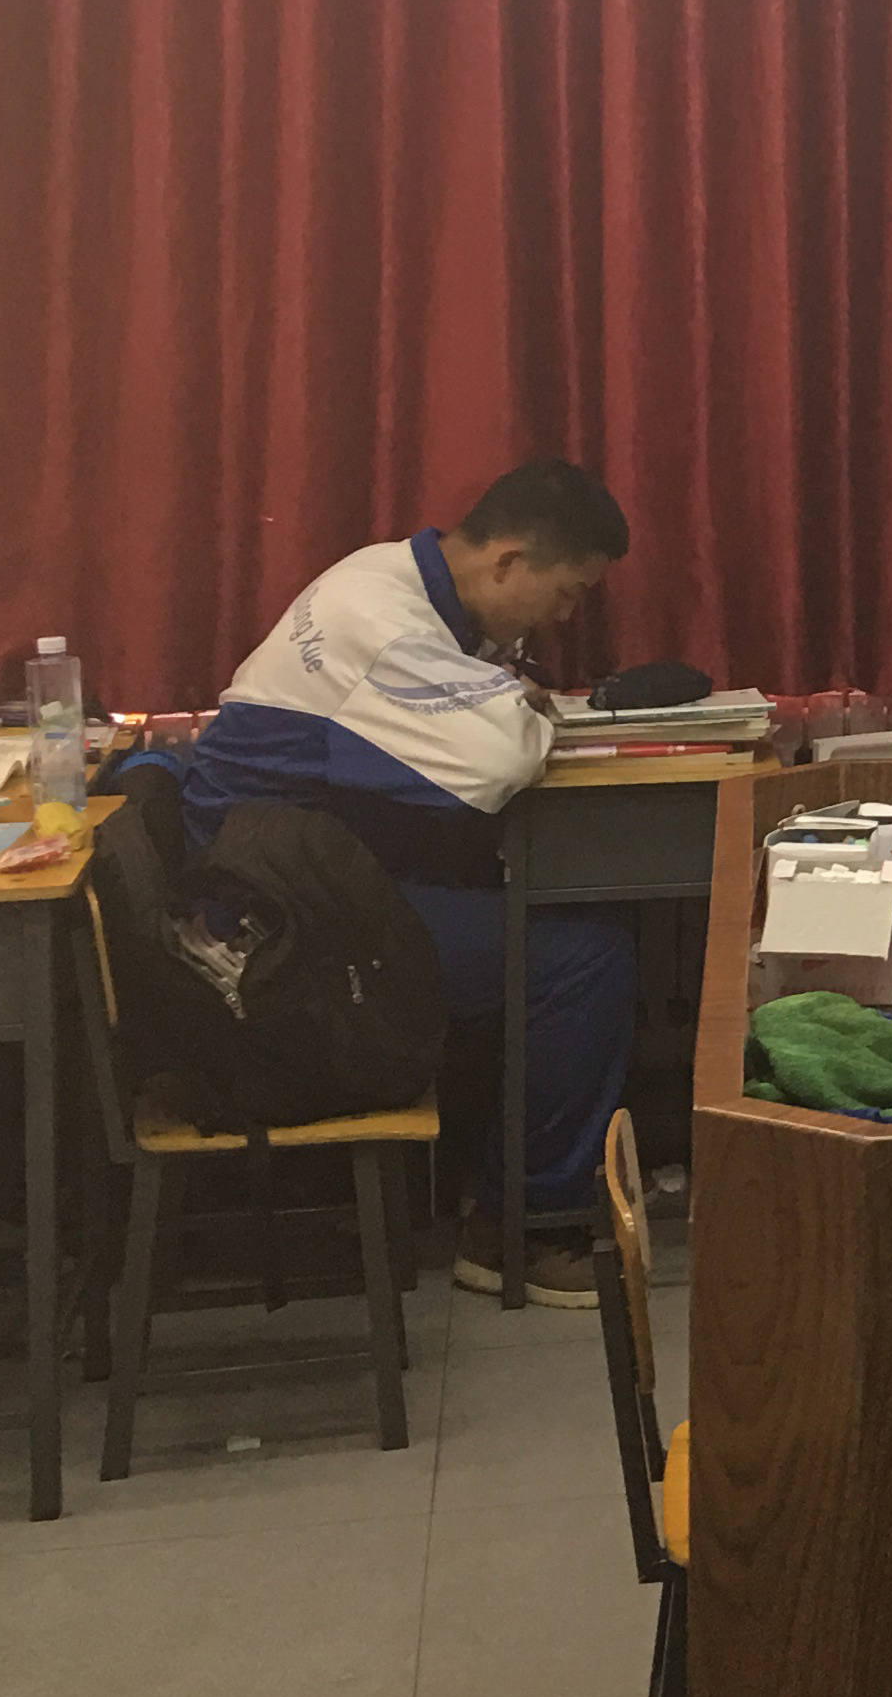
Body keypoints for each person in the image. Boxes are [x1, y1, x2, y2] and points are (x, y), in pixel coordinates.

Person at [184, 459, 640, 1304]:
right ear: (507, 561)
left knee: (541, 914)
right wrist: (520, 708)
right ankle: (519, 1231)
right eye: (566, 593)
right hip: (278, 926)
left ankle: (500, 1189)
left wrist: (509, 700)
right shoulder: (383, 622)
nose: (565, 617)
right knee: (583, 959)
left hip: (307, 880)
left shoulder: (387, 577)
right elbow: (500, 760)